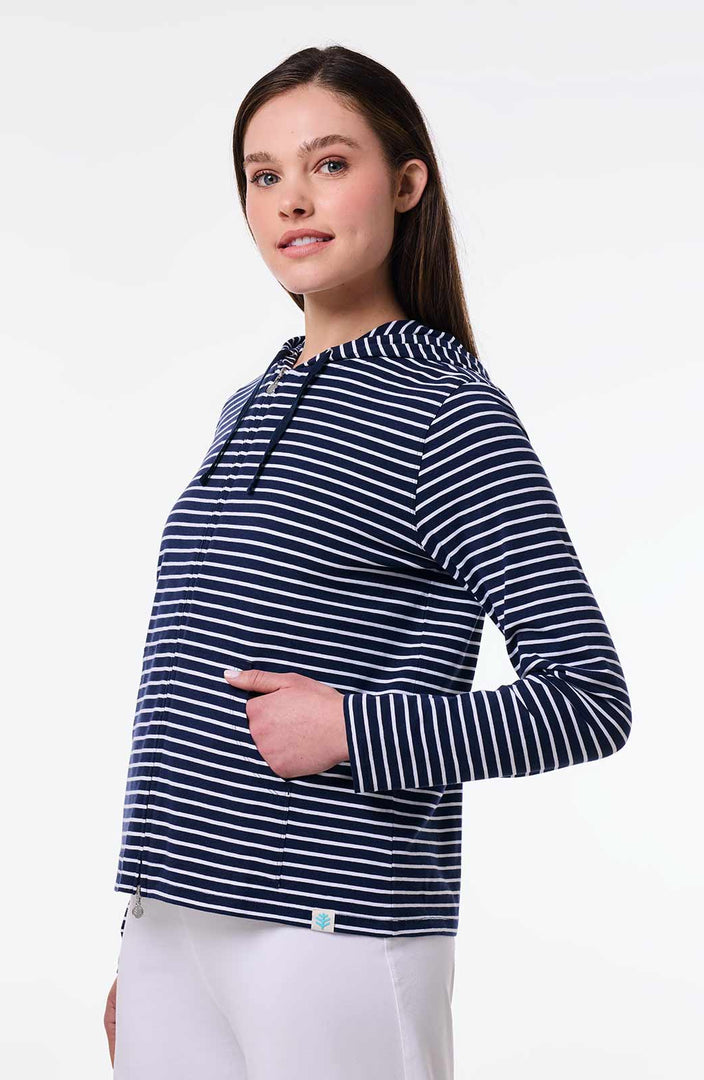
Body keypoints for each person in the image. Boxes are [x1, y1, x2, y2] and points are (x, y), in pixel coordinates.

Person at [104, 44, 632, 1079]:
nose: (292, 199)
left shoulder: (449, 413)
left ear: (405, 183)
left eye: (329, 163)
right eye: (264, 175)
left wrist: (352, 727)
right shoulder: (248, 402)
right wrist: (149, 937)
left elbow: (588, 699)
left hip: (331, 932)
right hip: (175, 924)